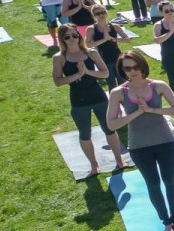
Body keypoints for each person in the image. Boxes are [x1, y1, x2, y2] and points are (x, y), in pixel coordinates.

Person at [106, 50, 174, 231]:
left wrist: (151, 109)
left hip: (165, 141)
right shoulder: (118, 92)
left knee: (170, 180)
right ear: (122, 70)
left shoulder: (158, 85)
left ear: (142, 66)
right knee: (153, 184)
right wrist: (136, 113)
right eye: (127, 68)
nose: (133, 71)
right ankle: (166, 222)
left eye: (136, 66)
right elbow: (111, 123)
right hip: (139, 146)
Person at [53, 24, 126, 175]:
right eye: (67, 36)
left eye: (75, 35)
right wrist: (78, 75)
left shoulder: (91, 53)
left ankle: (119, 160)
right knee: (85, 134)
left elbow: (105, 74)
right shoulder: (59, 58)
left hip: (97, 95)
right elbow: (58, 81)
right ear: (62, 39)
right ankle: (94, 165)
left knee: (109, 129)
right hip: (78, 99)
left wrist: (87, 71)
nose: (72, 39)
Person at [87, 5, 129, 90]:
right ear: (94, 15)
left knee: (123, 83)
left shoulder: (114, 26)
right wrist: (104, 39)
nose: (101, 15)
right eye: (98, 14)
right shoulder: (91, 29)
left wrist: (114, 39)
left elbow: (127, 39)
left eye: (103, 12)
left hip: (117, 57)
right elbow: (88, 44)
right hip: (104, 60)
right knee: (111, 85)